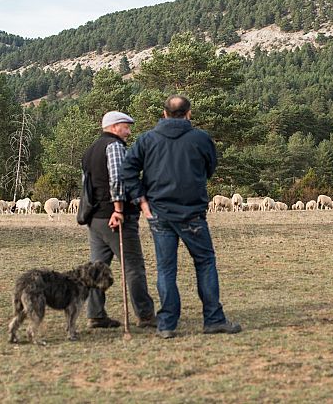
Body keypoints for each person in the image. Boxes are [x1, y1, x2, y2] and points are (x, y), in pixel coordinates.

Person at [122, 95, 241, 339]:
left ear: (164, 114)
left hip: (158, 213)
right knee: (205, 263)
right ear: (189, 113)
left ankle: (166, 324)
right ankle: (213, 319)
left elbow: (127, 170)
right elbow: (210, 168)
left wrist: (142, 201)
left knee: (166, 269)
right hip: (192, 213)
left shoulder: (147, 139)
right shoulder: (200, 138)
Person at [81, 110, 156, 329]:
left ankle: (95, 314)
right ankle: (146, 315)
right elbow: (117, 180)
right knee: (133, 266)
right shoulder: (114, 147)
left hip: (95, 218)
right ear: (114, 127)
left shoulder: (90, 150)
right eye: (125, 126)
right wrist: (119, 210)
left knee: (97, 267)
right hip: (115, 218)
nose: (129, 131)